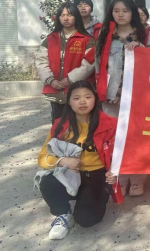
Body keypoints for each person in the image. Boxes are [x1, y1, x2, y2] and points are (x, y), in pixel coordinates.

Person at [36, 80, 121, 240]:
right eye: (76, 98)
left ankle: (99, 194)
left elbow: (122, 154)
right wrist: (63, 161)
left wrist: (114, 172)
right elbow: (42, 158)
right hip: (70, 175)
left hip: (96, 176)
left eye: (88, 97)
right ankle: (63, 213)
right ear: (69, 101)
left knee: (86, 220)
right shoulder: (60, 126)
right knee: (47, 181)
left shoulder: (110, 125)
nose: (82, 102)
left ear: (95, 99)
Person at [95, 0, 150, 196]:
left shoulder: (144, 35)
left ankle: (138, 180)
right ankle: (119, 179)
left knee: (137, 137)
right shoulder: (105, 36)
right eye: (116, 11)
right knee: (114, 139)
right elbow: (98, 65)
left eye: (125, 10)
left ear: (132, 13)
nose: (121, 14)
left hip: (138, 98)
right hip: (112, 97)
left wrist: (141, 49)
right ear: (111, 13)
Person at [36, 2, 95, 123]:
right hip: (55, 91)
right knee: (58, 125)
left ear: (76, 17)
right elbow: (41, 62)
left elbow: (89, 64)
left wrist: (69, 79)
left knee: (79, 124)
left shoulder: (86, 39)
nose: (66, 18)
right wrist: (51, 80)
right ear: (58, 18)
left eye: (69, 15)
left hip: (78, 91)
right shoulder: (50, 39)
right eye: (62, 15)